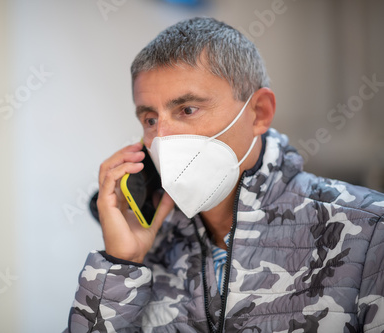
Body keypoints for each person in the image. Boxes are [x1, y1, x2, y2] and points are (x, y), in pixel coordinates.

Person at [65, 17, 384, 332]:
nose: (162, 137)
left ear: (259, 112)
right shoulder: (146, 245)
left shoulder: (368, 230)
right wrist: (121, 265)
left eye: (187, 110)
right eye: (150, 119)